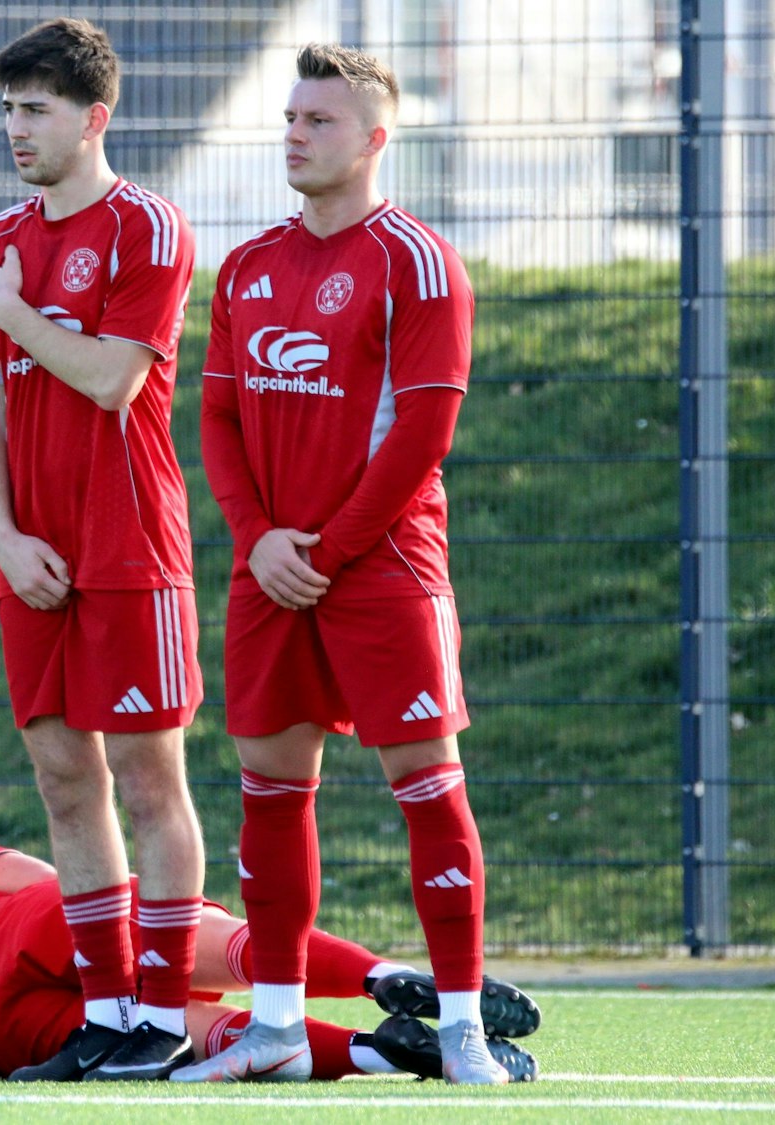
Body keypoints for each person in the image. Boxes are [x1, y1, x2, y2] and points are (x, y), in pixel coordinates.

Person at [191, 45, 503, 1084]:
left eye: (317, 120)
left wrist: (322, 549)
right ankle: (275, 1026)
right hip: (270, 570)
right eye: (288, 117)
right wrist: (258, 539)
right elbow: (220, 417)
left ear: (374, 138)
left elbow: (421, 433)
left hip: (379, 570)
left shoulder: (415, 259)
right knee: (269, 795)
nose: (293, 134)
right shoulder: (244, 266)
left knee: (426, 787)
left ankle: (459, 1025)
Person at [0, 18, 205, 1081]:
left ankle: (162, 1012)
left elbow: (113, 378)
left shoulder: (148, 227)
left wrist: (12, 311)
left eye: (35, 110)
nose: (14, 129)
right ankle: (105, 1009)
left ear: (92, 118)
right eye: (7, 109)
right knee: (63, 780)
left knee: (150, 782)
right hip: (33, 555)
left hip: (127, 545)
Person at [0, 842, 538, 1082]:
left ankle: (376, 1053)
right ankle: (384, 978)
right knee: (184, 945)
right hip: (20, 927)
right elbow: (42, 881)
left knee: (187, 1033)